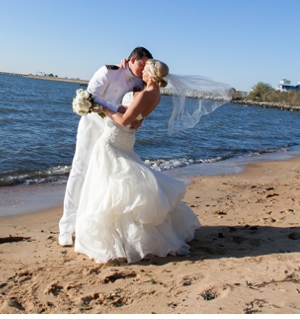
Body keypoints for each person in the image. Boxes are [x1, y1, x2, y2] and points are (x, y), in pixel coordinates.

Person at [73, 59, 201, 263]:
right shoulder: (155, 95)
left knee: (107, 185)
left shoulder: (145, 94)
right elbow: (138, 119)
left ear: (150, 74)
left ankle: (115, 237)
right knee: (118, 183)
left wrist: (101, 108)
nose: (141, 72)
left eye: (145, 70)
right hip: (126, 139)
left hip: (114, 139)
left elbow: (124, 120)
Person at [58, 47, 153, 247]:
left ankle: (94, 224)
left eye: (146, 66)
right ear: (131, 60)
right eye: (141, 64)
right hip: (93, 127)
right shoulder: (109, 72)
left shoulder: (139, 82)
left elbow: (142, 107)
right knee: (80, 171)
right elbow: (91, 97)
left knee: (108, 177)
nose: (143, 69)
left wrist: (138, 121)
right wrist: (118, 109)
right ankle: (66, 227)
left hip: (115, 134)